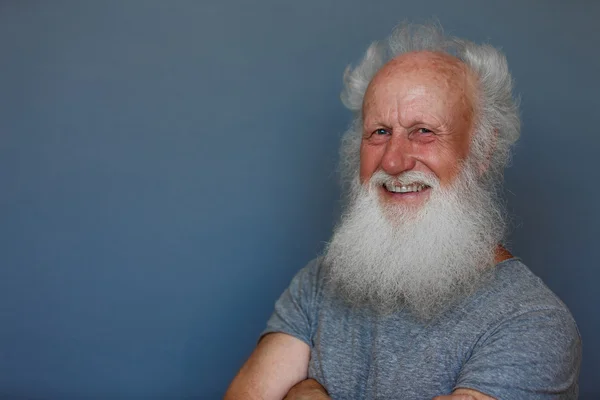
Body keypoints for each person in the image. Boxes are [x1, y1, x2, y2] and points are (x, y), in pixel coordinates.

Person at [224, 23, 581, 400]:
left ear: (482, 152)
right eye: (379, 132)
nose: (393, 161)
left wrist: (304, 394)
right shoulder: (318, 283)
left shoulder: (531, 321)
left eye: (424, 131)